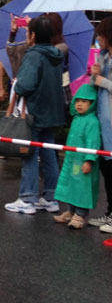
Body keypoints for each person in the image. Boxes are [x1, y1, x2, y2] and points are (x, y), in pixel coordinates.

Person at [4, 16, 65, 214]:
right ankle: (50, 197)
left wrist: (17, 84)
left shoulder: (34, 55)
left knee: (29, 153)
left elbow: (27, 84)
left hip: (35, 112)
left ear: (34, 35)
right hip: (53, 111)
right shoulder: (56, 54)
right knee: (49, 154)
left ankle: (27, 198)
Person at [53, 84, 101, 229]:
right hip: (72, 160)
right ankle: (71, 211)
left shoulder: (92, 122)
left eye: (85, 101)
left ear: (92, 104)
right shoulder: (77, 118)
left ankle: (80, 214)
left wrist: (89, 160)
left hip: (83, 162)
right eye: (78, 100)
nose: (79, 104)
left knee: (83, 187)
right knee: (71, 185)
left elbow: (93, 142)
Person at [89, 17, 112, 232]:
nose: (98, 39)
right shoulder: (103, 57)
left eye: (100, 35)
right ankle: (109, 213)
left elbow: (106, 85)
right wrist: (94, 75)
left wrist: (102, 81)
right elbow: (94, 86)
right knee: (106, 167)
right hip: (102, 120)